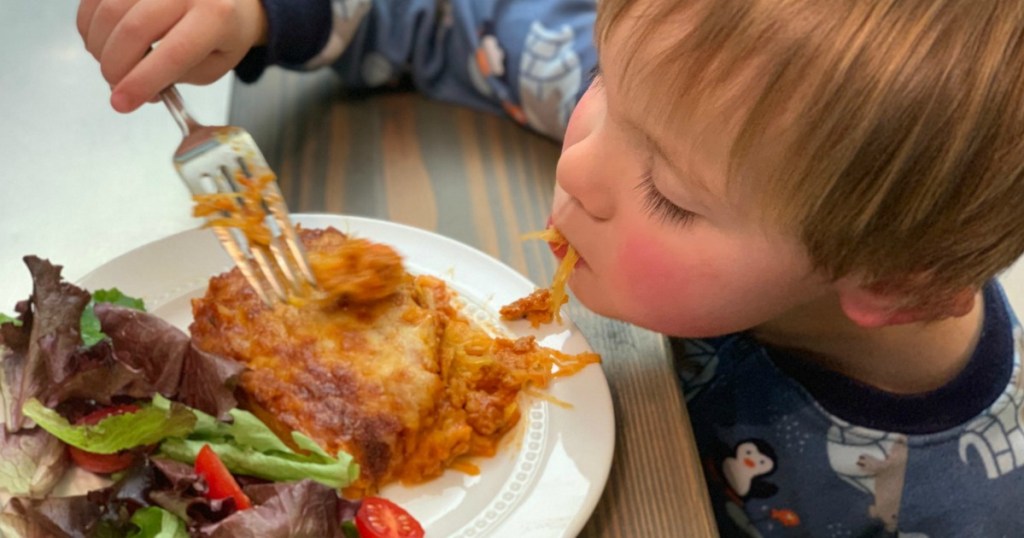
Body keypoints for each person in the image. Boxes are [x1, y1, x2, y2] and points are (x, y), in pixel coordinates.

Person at [77, 0, 1024, 535]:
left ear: (890, 286)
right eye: (607, 85)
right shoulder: (696, 85)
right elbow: (450, 17)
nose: (580, 163)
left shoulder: (960, 508)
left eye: (675, 197)